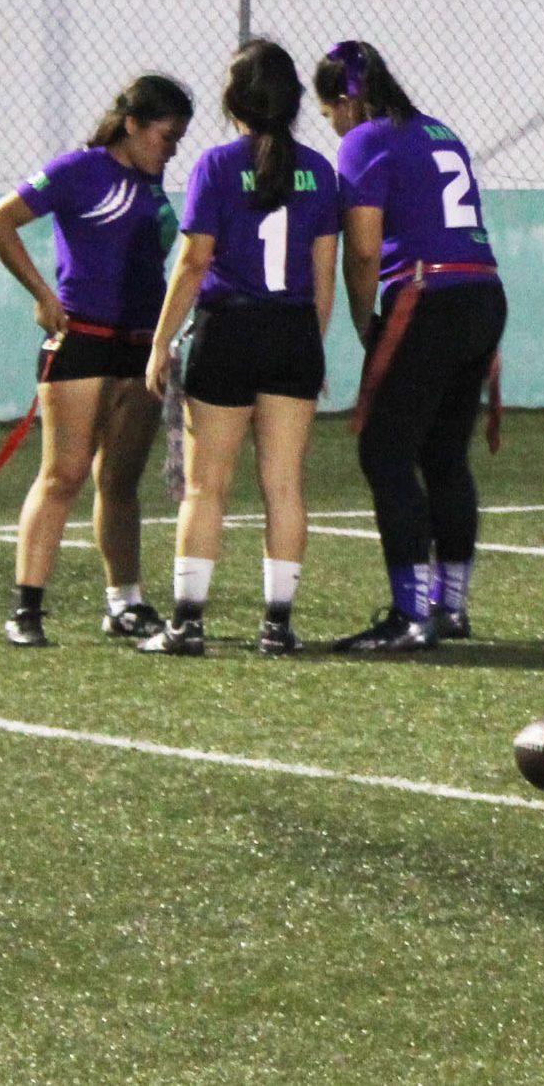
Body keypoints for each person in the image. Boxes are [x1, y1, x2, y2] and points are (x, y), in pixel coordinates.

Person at [139, 40, 340, 656]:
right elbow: (323, 273)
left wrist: (161, 342)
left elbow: (194, 260)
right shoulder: (320, 170)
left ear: (233, 103)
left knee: (206, 487)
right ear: (296, 102)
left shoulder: (217, 166)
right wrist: (312, 344)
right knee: (284, 484)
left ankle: (188, 623)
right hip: (293, 334)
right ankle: (277, 626)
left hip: (228, 331)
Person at [0, 75, 193, 647]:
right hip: (85, 339)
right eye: (165, 137)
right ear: (132, 124)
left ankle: (125, 602)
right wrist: (43, 296)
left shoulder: (153, 186)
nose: (170, 150)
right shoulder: (80, 170)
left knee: (120, 480)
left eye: (178, 142)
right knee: (64, 474)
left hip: (140, 345)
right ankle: (26, 609)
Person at [313, 40, 507, 652]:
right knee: (444, 454)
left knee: (386, 453)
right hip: (481, 290)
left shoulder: (365, 139)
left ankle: (409, 614)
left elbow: (365, 246)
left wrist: (360, 314)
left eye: (330, 111)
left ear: (346, 99)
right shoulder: (441, 131)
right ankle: (449, 606)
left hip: (426, 294)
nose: (334, 124)